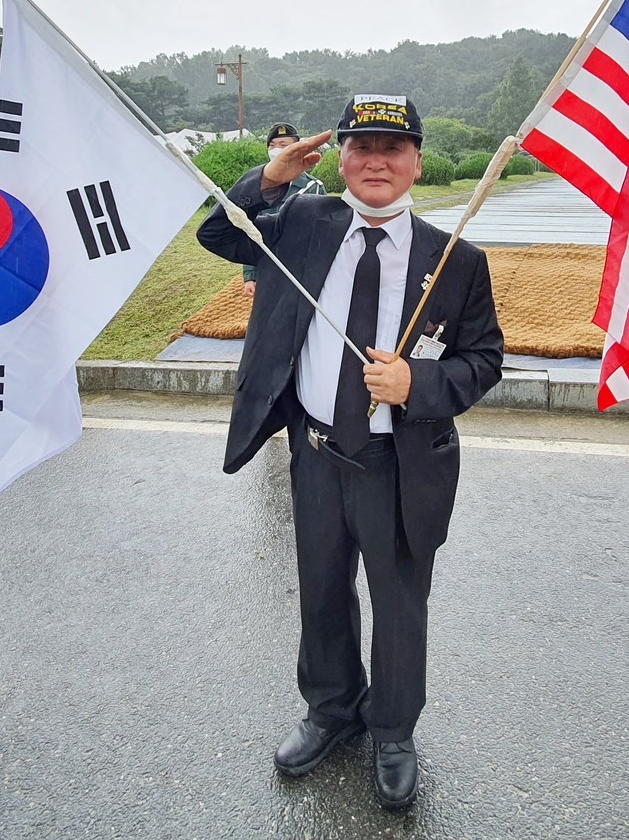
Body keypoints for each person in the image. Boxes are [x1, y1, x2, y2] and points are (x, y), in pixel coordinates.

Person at [196, 94, 503, 809]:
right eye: (360, 146)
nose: (375, 161)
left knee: (400, 603)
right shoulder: (302, 222)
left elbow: (484, 359)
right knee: (322, 591)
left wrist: (416, 382)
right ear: (338, 158)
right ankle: (332, 710)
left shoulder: (455, 257)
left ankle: (393, 729)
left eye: (392, 149)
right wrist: (268, 179)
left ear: (416, 163)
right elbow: (220, 233)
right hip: (316, 451)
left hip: (401, 462)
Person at [240, 122, 326, 298]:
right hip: (268, 266)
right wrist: (250, 276)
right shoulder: (257, 189)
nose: (276, 150)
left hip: (304, 269)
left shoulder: (313, 187)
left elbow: (324, 234)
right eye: (272, 145)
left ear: (297, 148)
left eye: (283, 145)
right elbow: (250, 231)